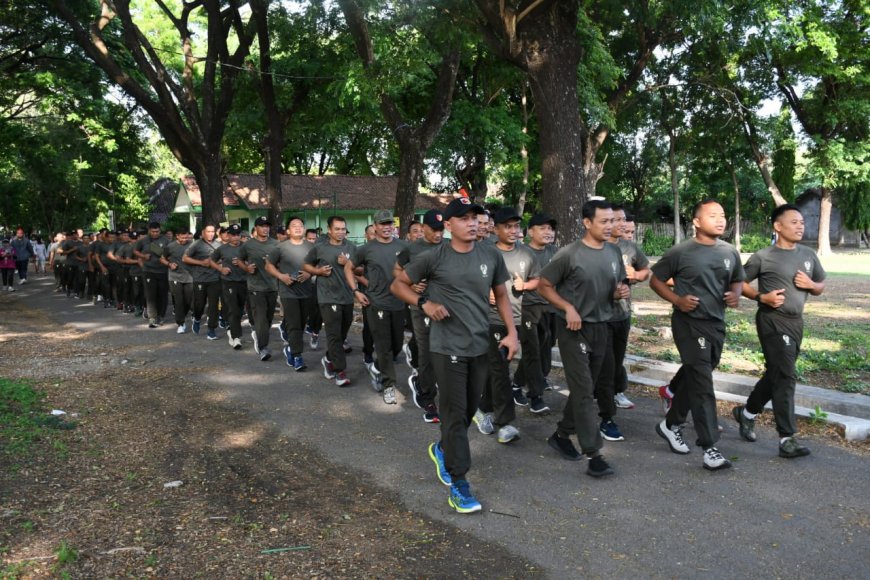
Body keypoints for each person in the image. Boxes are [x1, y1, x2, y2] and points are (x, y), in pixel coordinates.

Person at [392, 196, 518, 514]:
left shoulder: (490, 254)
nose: (473, 222)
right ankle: (460, 483)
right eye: (464, 218)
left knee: (466, 413)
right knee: (454, 414)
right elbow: (399, 284)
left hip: (481, 344)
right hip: (446, 346)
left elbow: (501, 294)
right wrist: (425, 304)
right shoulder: (434, 257)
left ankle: (442, 447)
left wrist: (512, 332)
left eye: (475, 216)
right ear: (448, 226)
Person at [649, 199, 744, 471]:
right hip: (689, 323)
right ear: (697, 221)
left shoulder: (730, 252)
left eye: (723, 215)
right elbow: (655, 280)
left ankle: (670, 424)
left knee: (697, 375)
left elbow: (738, 279)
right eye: (712, 215)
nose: (720, 220)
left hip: (716, 323)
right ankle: (710, 447)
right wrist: (677, 300)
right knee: (702, 382)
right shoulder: (681, 252)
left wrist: (735, 295)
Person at [538, 200, 627, 477]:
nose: (611, 226)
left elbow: (613, 285)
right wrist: (567, 307)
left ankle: (562, 435)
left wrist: (616, 294)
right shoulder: (569, 254)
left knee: (583, 389)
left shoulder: (613, 252)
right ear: (587, 223)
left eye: (613, 221)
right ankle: (594, 454)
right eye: (604, 221)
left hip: (602, 327)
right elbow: (544, 285)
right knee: (585, 391)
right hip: (573, 328)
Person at [734, 204, 825, 458]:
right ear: (778, 226)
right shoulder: (764, 256)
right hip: (772, 320)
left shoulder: (808, 255)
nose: (800, 225)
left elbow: (820, 286)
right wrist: (762, 297)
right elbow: (740, 283)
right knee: (785, 375)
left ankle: (747, 413)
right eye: (794, 222)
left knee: (777, 373)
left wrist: (811, 284)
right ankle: (787, 437)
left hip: (797, 323)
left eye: (802, 222)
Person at [474, 206, 540, 444]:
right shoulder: (484, 252)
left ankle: (482, 407)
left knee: (498, 368)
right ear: (496, 228)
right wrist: (485, 293)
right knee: (501, 370)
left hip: (517, 319)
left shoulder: (527, 254)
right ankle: (505, 423)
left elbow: (537, 280)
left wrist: (525, 286)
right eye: (507, 226)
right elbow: (469, 282)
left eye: (516, 226)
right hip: (491, 321)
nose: (513, 231)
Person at [345, 210, 408, 404]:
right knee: (384, 347)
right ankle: (389, 385)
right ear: (375, 226)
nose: (387, 227)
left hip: (398, 302)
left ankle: (377, 368)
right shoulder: (366, 249)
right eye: (383, 224)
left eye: (390, 223)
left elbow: (413, 268)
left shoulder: (404, 246)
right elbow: (348, 267)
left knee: (397, 346)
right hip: (376, 303)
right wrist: (356, 291)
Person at [395, 209, 445, 423]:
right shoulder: (412, 248)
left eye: (442, 230)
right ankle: (427, 395)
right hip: (420, 306)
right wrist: (412, 284)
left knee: (443, 351)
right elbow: (396, 271)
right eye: (434, 229)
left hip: (445, 307)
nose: (438, 234)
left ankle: (426, 381)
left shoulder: (450, 246)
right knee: (428, 351)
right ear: (423, 228)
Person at [600, 207, 650, 414]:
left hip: (623, 313)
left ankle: (612, 393)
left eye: (622, 220)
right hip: (600, 316)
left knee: (617, 358)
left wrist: (637, 276)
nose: (621, 224)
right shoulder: (596, 247)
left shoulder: (629, 248)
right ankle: (606, 406)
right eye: (615, 220)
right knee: (606, 361)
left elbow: (646, 270)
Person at [511, 213, 558, 413]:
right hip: (527, 308)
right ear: (530, 231)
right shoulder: (520, 252)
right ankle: (536, 397)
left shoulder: (555, 252)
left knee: (545, 347)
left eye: (551, 229)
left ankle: (515, 384)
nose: (548, 233)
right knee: (532, 351)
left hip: (550, 307)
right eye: (543, 228)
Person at [303, 216, 356, 387]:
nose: (341, 232)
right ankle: (340, 371)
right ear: (329, 230)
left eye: (343, 229)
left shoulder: (352, 247)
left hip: (347, 297)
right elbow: (306, 266)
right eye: (337, 229)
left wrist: (348, 262)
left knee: (341, 334)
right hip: (327, 297)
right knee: (333, 334)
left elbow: (361, 269)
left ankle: (328, 359)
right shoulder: (320, 248)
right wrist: (318, 271)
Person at [264, 216, 314, 371]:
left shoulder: (312, 247)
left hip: (306, 291)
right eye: (294, 226)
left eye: (300, 225)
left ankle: (289, 347)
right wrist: (281, 276)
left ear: (304, 229)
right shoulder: (281, 247)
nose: (298, 228)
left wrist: (309, 274)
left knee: (301, 323)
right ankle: (297, 355)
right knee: (294, 325)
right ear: (288, 230)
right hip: (288, 291)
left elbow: (317, 265)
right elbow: (268, 266)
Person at [237, 216, 279, 361]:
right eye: (262, 226)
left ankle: (258, 334)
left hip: (272, 286)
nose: (265, 228)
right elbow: (239, 260)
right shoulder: (248, 245)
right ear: (256, 228)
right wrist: (246, 268)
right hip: (255, 287)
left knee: (268, 319)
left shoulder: (276, 244)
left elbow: (281, 261)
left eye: (267, 226)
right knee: (261, 319)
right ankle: (263, 348)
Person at [209, 224, 247, 349]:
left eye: (238, 234)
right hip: (228, 281)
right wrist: (221, 269)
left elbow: (254, 261)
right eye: (233, 235)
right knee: (233, 309)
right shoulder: (222, 249)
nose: (236, 237)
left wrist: (244, 263)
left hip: (244, 281)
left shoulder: (246, 247)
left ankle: (232, 329)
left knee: (240, 310)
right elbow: (211, 260)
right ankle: (236, 337)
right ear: (228, 235)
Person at [183, 224, 222, 339]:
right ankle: (197, 318)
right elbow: (185, 258)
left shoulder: (218, 245)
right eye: (208, 231)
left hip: (214, 279)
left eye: (212, 232)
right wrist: (201, 263)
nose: (210, 234)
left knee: (213, 305)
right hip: (200, 279)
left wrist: (219, 264)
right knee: (199, 304)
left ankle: (211, 330)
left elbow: (222, 258)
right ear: (203, 232)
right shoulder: (196, 244)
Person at [134, 222, 171, 328]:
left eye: (157, 231)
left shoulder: (165, 240)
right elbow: (135, 251)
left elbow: (169, 254)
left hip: (162, 271)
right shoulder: (143, 240)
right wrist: (143, 256)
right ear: (149, 230)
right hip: (149, 271)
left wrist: (163, 255)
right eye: (153, 231)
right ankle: (152, 318)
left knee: (162, 295)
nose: (155, 233)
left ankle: (161, 315)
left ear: (160, 230)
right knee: (150, 295)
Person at [161, 227, 194, 333]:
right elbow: (162, 258)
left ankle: (182, 315)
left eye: (186, 237)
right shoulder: (170, 246)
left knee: (188, 301)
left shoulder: (192, 245)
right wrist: (169, 264)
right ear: (177, 236)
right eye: (182, 237)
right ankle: (181, 323)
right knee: (179, 300)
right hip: (175, 276)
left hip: (189, 277)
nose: (185, 239)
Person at [303, 228, 323, 349]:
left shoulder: (320, 250)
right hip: (303, 285)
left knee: (319, 310)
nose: (311, 241)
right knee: (310, 310)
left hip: (319, 284)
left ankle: (315, 332)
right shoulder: (300, 249)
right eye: (309, 238)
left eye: (313, 238)